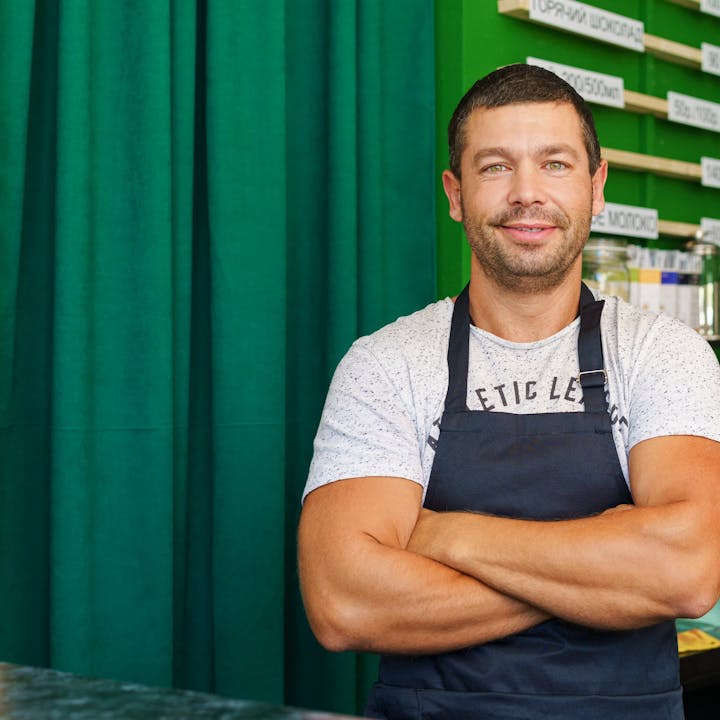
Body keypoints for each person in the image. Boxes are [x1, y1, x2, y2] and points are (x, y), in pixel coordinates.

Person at [297, 63, 720, 719]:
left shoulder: (662, 353)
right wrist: (606, 574)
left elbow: (688, 571)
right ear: (455, 193)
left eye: (554, 163)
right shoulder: (385, 364)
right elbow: (344, 604)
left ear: (596, 185)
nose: (527, 192)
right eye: (495, 166)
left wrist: (443, 537)